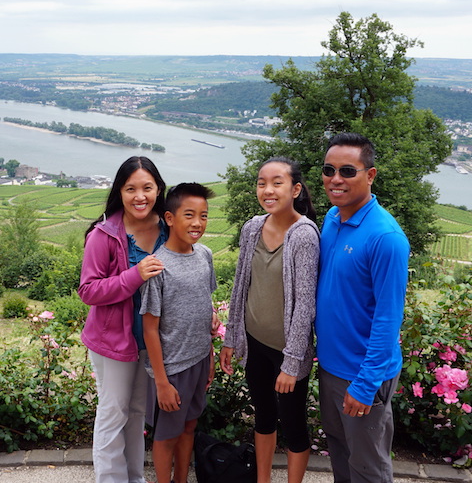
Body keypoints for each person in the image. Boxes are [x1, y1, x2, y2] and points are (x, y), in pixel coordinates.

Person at [315, 133, 410, 483]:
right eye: (329, 170)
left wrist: (366, 382)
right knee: (339, 452)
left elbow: (388, 317)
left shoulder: (385, 238)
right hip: (330, 366)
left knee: (368, 466)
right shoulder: (332, 219)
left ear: (370, 175)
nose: (335, 179)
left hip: (361, 373)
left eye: (347, 171)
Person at [220, 157, 320, 483]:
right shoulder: (252, 228)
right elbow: (240, 286)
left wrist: (292, 363)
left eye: (277, 183)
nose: (268, 190)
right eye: (262, 182)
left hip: (286, 351)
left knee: (293, 425)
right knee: (263, 416)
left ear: (295, 189)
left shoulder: (303, 235)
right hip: (254, 342)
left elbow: (305, 304)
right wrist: (231, 337)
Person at [79, 156, 169, 483]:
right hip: (112, 341)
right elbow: (88, 290)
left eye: (147, 187)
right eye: (131, 189)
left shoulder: (168, 226)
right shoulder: (104, 235)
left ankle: (135, 477)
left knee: (137, 413)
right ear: (120, 191)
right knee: (112, 412)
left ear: (159, 189)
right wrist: (134, 276)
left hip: (151, 340)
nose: (139, 196)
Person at [140, 183, 218, 483]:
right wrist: (161, 382)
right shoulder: (158, 267)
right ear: (170, 218)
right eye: (189, 215)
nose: (198, 223)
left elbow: (205, 308)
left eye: (204, 216)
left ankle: (182, 479)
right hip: (172, 368)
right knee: (166, 436)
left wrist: (209, 356)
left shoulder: (205, 255)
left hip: (198, 361)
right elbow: (150, 328)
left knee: (189, 427)